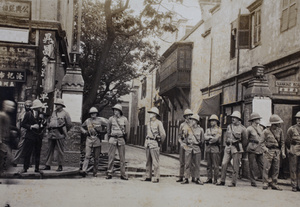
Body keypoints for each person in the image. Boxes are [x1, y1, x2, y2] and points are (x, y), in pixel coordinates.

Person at [217, 111, 246, 187]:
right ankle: (222, 180)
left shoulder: (242, 129)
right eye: (232, 117)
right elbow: (226, 136)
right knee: (224, 163)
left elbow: (245, 140)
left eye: (235, 118)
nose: (233, 119)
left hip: (236, 148)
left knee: (235, 165)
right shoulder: (229, 126)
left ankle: (233, 182)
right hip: (228, 147)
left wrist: (240, 147)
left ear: (238, 119)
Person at [42, 98, 72, 171]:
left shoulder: (65, 113)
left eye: (58, 105)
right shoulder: (53, 112)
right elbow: (49, 121)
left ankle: (60, 165)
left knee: (60, 150)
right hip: (52, 132)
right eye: (56, 104)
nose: (56, 106)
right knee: (49, 149)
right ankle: (47, 165)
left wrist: (64, 131)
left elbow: (69, 124)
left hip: (59, 133)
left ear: (61, 105)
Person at [20, 99, 47, 173]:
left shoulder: (41, 114)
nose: (40, 109)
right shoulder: (28, 114)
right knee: (28, 152)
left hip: (38, 136)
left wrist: (44, 123)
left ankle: (37, 168)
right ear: (35, 107)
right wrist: (31, 126)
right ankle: (25, 168)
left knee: (37, 152)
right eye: (39, 107)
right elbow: (23, 124)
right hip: (30, 136)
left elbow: (43, 125)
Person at [80, 107, 108, 177]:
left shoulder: (101, 120)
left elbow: (109, 124)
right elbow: (81, 127)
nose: (93, 115)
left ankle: (95, 172)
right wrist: (84, 131)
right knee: (87, 156)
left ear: (96, 114)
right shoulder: (87, 121)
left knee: (96, 157)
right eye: (91, 113)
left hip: (97, 139)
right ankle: (84, 170)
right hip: (89, 139)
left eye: (94, 113)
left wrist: (105, 131)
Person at [262, 114, 286, 190]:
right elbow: (261, 142)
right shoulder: (266, 131)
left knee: (276, 168)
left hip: (277, 151)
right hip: (269, 151)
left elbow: (282, 142)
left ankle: (274, 183)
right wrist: (266, 149)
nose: (279, 124)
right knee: (266, 168)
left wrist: (283, 152)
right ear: (274, 123)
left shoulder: (280, 131)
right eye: (278, 123)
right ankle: (265, 182)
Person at [142, 107, 166, 183]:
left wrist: (159, 142)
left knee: (155, 161)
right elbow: (147, 133)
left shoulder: (159, 123)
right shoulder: (148, 123)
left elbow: (163, 134)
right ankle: (148, 176)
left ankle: (156, 177)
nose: (150, 114)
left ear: (155, 114)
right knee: (148, 161)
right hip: (148, 142)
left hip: (154, 143)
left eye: (151, 113)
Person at [106, 104, 129, 180]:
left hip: (121, 139)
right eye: (114, 110)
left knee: (122, 158)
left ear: (120, 111)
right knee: (111, 157)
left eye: (116, 110)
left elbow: (127, 131)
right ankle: (109, 173)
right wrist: (110, 138)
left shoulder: (125, 119)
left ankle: (123, 174)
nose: (115, 111)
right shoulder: (110, 119)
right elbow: (108, 130)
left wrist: (125, 139)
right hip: (113, 138)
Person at [181, 114, 204, 185]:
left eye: (193, 120)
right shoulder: (188, 129)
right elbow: (184, 138)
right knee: (187, 163)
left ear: (197, 121)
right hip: (189, 147)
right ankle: (186, 178)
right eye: (191, 119)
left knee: (197, 164)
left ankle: (197, 178)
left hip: (196, 148)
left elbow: (202, 140)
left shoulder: (201, 130)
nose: (191, 121)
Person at [246, 112, 265, 187]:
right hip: (252, 148)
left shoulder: (260, 128)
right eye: (258, 119)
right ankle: (253, 181)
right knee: (252, 165)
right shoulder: (249, 129)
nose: (259, 120)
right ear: (253, 120)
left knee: (262, 165)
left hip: (259, 148)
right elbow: (245, 139)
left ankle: (265, 181)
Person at [12, 100, 33, 166]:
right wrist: (19, 130)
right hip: (24, 130)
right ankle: (15, 161)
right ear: (25, 106)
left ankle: (28, 162)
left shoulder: (31, 112)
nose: (28, 107)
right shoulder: (22, 113)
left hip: (30, 130)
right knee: (21, 145)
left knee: (29, 146)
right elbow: (19, 122)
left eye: (30, 106)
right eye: (27, 106)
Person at [204, 114, 222, 184]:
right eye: (211, 121)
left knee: (215, 165)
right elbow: (204, 137)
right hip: (208, 148)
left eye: (213, 121)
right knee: (209, 165)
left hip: (215, 148)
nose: (211, 122)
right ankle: (209, 178)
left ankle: (215, 179)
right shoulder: (208, 129)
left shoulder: (219, 129)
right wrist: (210, 137)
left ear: (216, 121)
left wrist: (210, 138)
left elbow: (216, 139)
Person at [176, 109, 193, 183]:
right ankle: (181, 176)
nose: (188, 117)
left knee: (188, 162)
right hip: (183, 144)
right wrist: (181, 143)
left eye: (190, 115)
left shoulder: (193, 125)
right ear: (185, 117)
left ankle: (186, 178)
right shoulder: (182, 125)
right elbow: (179, 135)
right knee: (181, 161)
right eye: (187, 115)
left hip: (189, 145)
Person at [0, 100, 16, 174]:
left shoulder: (6, 116)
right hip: (2, 141)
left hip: (5, 141)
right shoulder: (2, 115)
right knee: (9, 158)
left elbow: (7, 127)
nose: (12, 108)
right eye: (10, 106)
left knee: (5, 159)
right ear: (5, 106)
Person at [286, 111, 300, 192]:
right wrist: (291, 148)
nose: (299, 120)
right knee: (293, 168)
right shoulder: (291, 129)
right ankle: (294, 186)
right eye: (297, 118)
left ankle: (299, 185)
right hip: (294, 150)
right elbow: (288, 141)